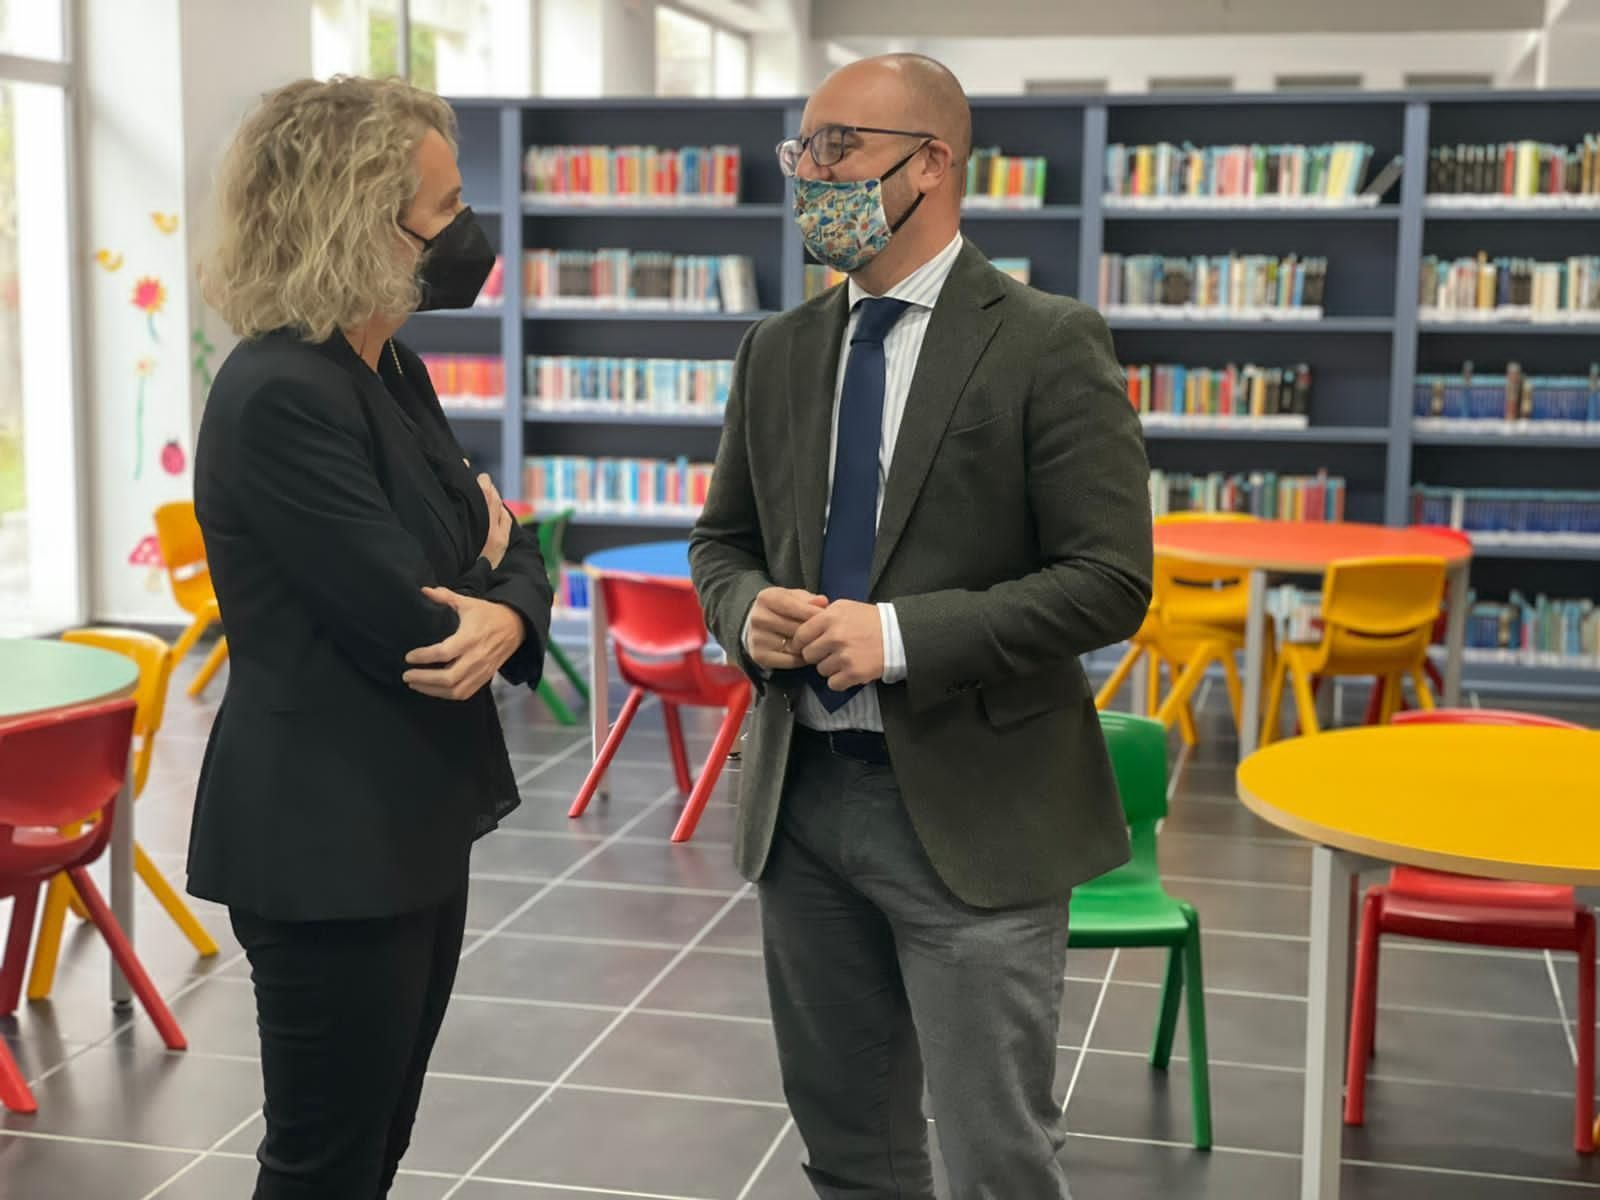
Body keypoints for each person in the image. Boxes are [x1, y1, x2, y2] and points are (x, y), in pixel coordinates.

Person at [689, 54, 1152, 1196]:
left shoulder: (1046, 341)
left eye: (837, 147)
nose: (810, 176)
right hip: (801, 804)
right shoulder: (780, 350)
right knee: (849, 1147)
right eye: (802, 150)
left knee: (996, 1155)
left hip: (973, 812)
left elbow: (1107, 580)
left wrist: (898, 638)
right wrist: (748, 612)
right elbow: (721, 545)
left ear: (932, 163)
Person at [187, 76, 553, 1198]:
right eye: (441, 209)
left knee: (375, 1143)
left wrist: (501, 589)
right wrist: (491, 573)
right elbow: (414, 623)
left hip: (407, 814)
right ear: (353, 219)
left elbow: (510, 550)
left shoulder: (387, 368)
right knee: (325, 1162)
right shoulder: (282, 393)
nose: (466, 232)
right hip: (324, 836)